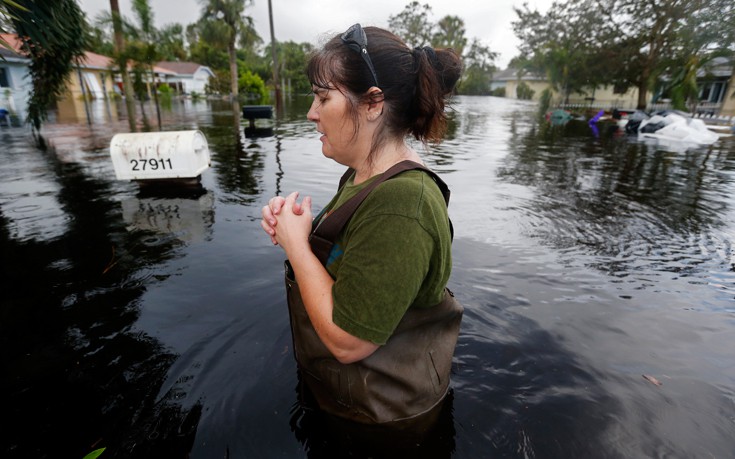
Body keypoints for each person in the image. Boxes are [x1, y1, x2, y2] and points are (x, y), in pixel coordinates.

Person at [260, 23, 463, 429]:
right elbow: (350, 256)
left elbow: (349, 342)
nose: (311, 113)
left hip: (384, 427)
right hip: (343, 399)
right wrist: (294, 229)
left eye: (322, 98)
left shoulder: (403, 204)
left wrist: (297, 247)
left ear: (373, 103)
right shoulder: (364, 174)